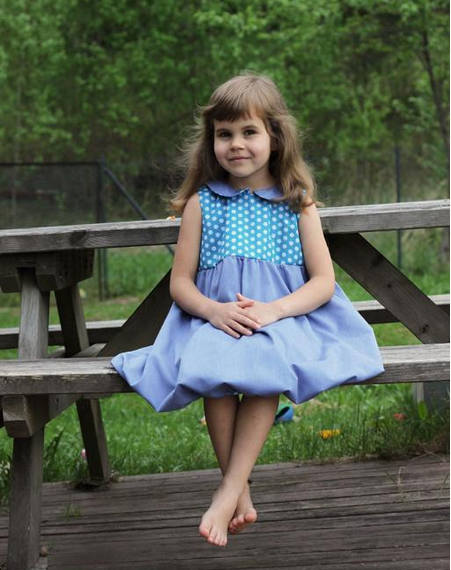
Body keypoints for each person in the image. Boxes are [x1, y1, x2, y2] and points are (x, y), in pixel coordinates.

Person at [111, 73, 385, 547]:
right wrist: (214, 312)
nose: (236, 144)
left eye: (249, 132)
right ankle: (238, 489)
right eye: (224, 134)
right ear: (211, 141)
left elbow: (323, 282)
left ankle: (229, 492)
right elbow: (181, 283)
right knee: (212, 365)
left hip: (284, 318)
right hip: (214, 317)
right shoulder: (202, 204)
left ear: (275, 137)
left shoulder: (296, 203)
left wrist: (274, 311)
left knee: (264, 364)